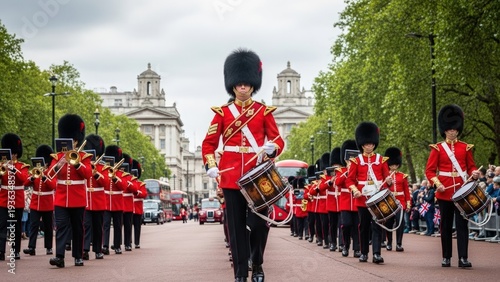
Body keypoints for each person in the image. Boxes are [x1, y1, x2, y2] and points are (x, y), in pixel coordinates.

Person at [202, 48, 285, 282]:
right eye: (238, 83)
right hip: (230, 177)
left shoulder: (262, 112)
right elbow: (208, 144)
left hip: (257, 176)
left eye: (247, 83)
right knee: (236, 229)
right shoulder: (221, 113)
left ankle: (257, 264)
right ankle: (240, 273)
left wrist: (272, 148)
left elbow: (277, 139)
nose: (242, 87)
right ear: (232, 85)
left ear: (252, 84)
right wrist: (210, 165)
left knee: (259, 224)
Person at [425, 104, 480, 268]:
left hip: (462, 191)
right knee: (446, 226)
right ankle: (446, 256)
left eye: (455, 129)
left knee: (463, 225)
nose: (452, 131)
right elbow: (429, 171)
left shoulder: (466, 147)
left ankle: (463, 257)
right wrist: (437, 184)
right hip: (444, 192)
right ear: (445, 130)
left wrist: (475, 172)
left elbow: (470, 167)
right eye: (449, 129)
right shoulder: (438, 149)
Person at [49, 114, 93, 268]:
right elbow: (49, 175)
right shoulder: (58, 156)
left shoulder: (83, 157)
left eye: (74, 141)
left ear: (76, 141)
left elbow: (88, 174)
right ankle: (59, 256)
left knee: (77, 228)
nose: (72, 143)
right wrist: (59, 163)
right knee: (61, 226)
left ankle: (78, 257)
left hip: (78, 197)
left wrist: (76, 163)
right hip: (61, 197)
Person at [346, 122, 392, 264]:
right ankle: (364, 253)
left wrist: (389, 180)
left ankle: (377, 254)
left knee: (377, 226)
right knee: (364, 226)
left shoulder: (381, 160)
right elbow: (350, 180)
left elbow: (386, 177)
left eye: (371, 144)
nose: (369, 146)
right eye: (366, 144)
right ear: (362, 144)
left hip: (377, 198)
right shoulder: (356, 161)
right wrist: (355, 191)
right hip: (362, 199)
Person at [0, 133, 30, 261]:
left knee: (16, 227)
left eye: (12, 153)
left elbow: (23, 179)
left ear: (16, 154)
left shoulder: (22, 166)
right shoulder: (1, 165)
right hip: (3, 199)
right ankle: (1, 251)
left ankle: (15, 251)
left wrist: (12, 168)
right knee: (1, 226)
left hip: (16, 200)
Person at [23, 144, 56, 256]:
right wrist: (32, 177)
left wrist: (44, 177)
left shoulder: (51, 171)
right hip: (35, 202)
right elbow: (26, 183)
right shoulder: (35, 170)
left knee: (48, 226)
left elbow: (53, 186)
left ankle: (49, 247)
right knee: (33, 225)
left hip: (47, 202)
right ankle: (31, 247)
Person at [82, 134, 108, 260]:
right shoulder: (83, 165)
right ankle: (85, 249)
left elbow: (106, 183)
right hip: (86, 200)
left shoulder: (102, 167)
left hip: (98, 201)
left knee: (98, 227)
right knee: (86, 226)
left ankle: (98, 250)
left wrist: (96, 173)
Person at [383, 147, 410, 251]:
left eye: (395, 165)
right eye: (392, 165)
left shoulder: (403, 176)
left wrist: (408, 204)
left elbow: (406, 191)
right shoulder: (386, 176)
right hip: (389, 201)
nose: (394, 167)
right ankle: (389, 242)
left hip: (400, 202)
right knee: (389, 223)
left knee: (400, 223)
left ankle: (399, 243)